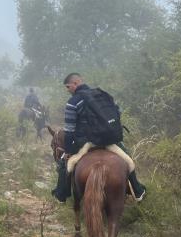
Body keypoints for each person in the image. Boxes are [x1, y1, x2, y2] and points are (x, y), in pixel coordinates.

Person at [52, 72, 146, 202]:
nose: (68, 90)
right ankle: (138, 190)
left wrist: (68, 151)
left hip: (85, 142)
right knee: (127, 158)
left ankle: (61, 195)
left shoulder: (73, 102)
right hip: (108, 139)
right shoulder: (103, 95)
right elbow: (117, 113)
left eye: (68, 87)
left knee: (64, 162)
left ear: (75, 83)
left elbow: (69, 130)